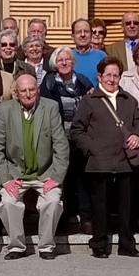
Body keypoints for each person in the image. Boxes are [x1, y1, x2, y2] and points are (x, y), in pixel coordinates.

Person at [70, 56, 139, 259]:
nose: (112, 79)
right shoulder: (89, 100)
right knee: (100, 206)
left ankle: (127, 244)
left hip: (124, 160)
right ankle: (99, 244)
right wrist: (91, 148)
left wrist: (138, 136)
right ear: (99, 76)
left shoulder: (128, 99)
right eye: (108, 75)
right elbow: (77, 130)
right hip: (99, 161)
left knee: (126, 206)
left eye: (116, 75)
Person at [0, 73, 69, 260]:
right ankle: (17, 245)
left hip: (45, 172)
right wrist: (5, 179)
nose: (28, 94)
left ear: (38, 90)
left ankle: (47, 245)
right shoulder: (6, 110)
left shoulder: (50, 107)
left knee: (52, 201)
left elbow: (61, 146)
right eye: (23, 90)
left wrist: (56, 177)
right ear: (16, 93)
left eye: (32, 89)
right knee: (8, 203)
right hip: (15, 172)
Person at [41, 46, 93, 228]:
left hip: (81, 137)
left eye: (67, 59)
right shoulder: (48, 83)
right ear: (55, 63)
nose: (64, 63)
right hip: (58, 138)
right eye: (60, 60)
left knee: (84, 178)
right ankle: (64, 218)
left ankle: (86, 217)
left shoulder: (83, 81)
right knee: (63, 177)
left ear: (73, 61)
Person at [70, 18, 105, 86]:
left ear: (91, 35)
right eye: (79, 32)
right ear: (73, 37)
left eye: (86, 31)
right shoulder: (67, 56)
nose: (83, 35)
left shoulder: (101, 56)